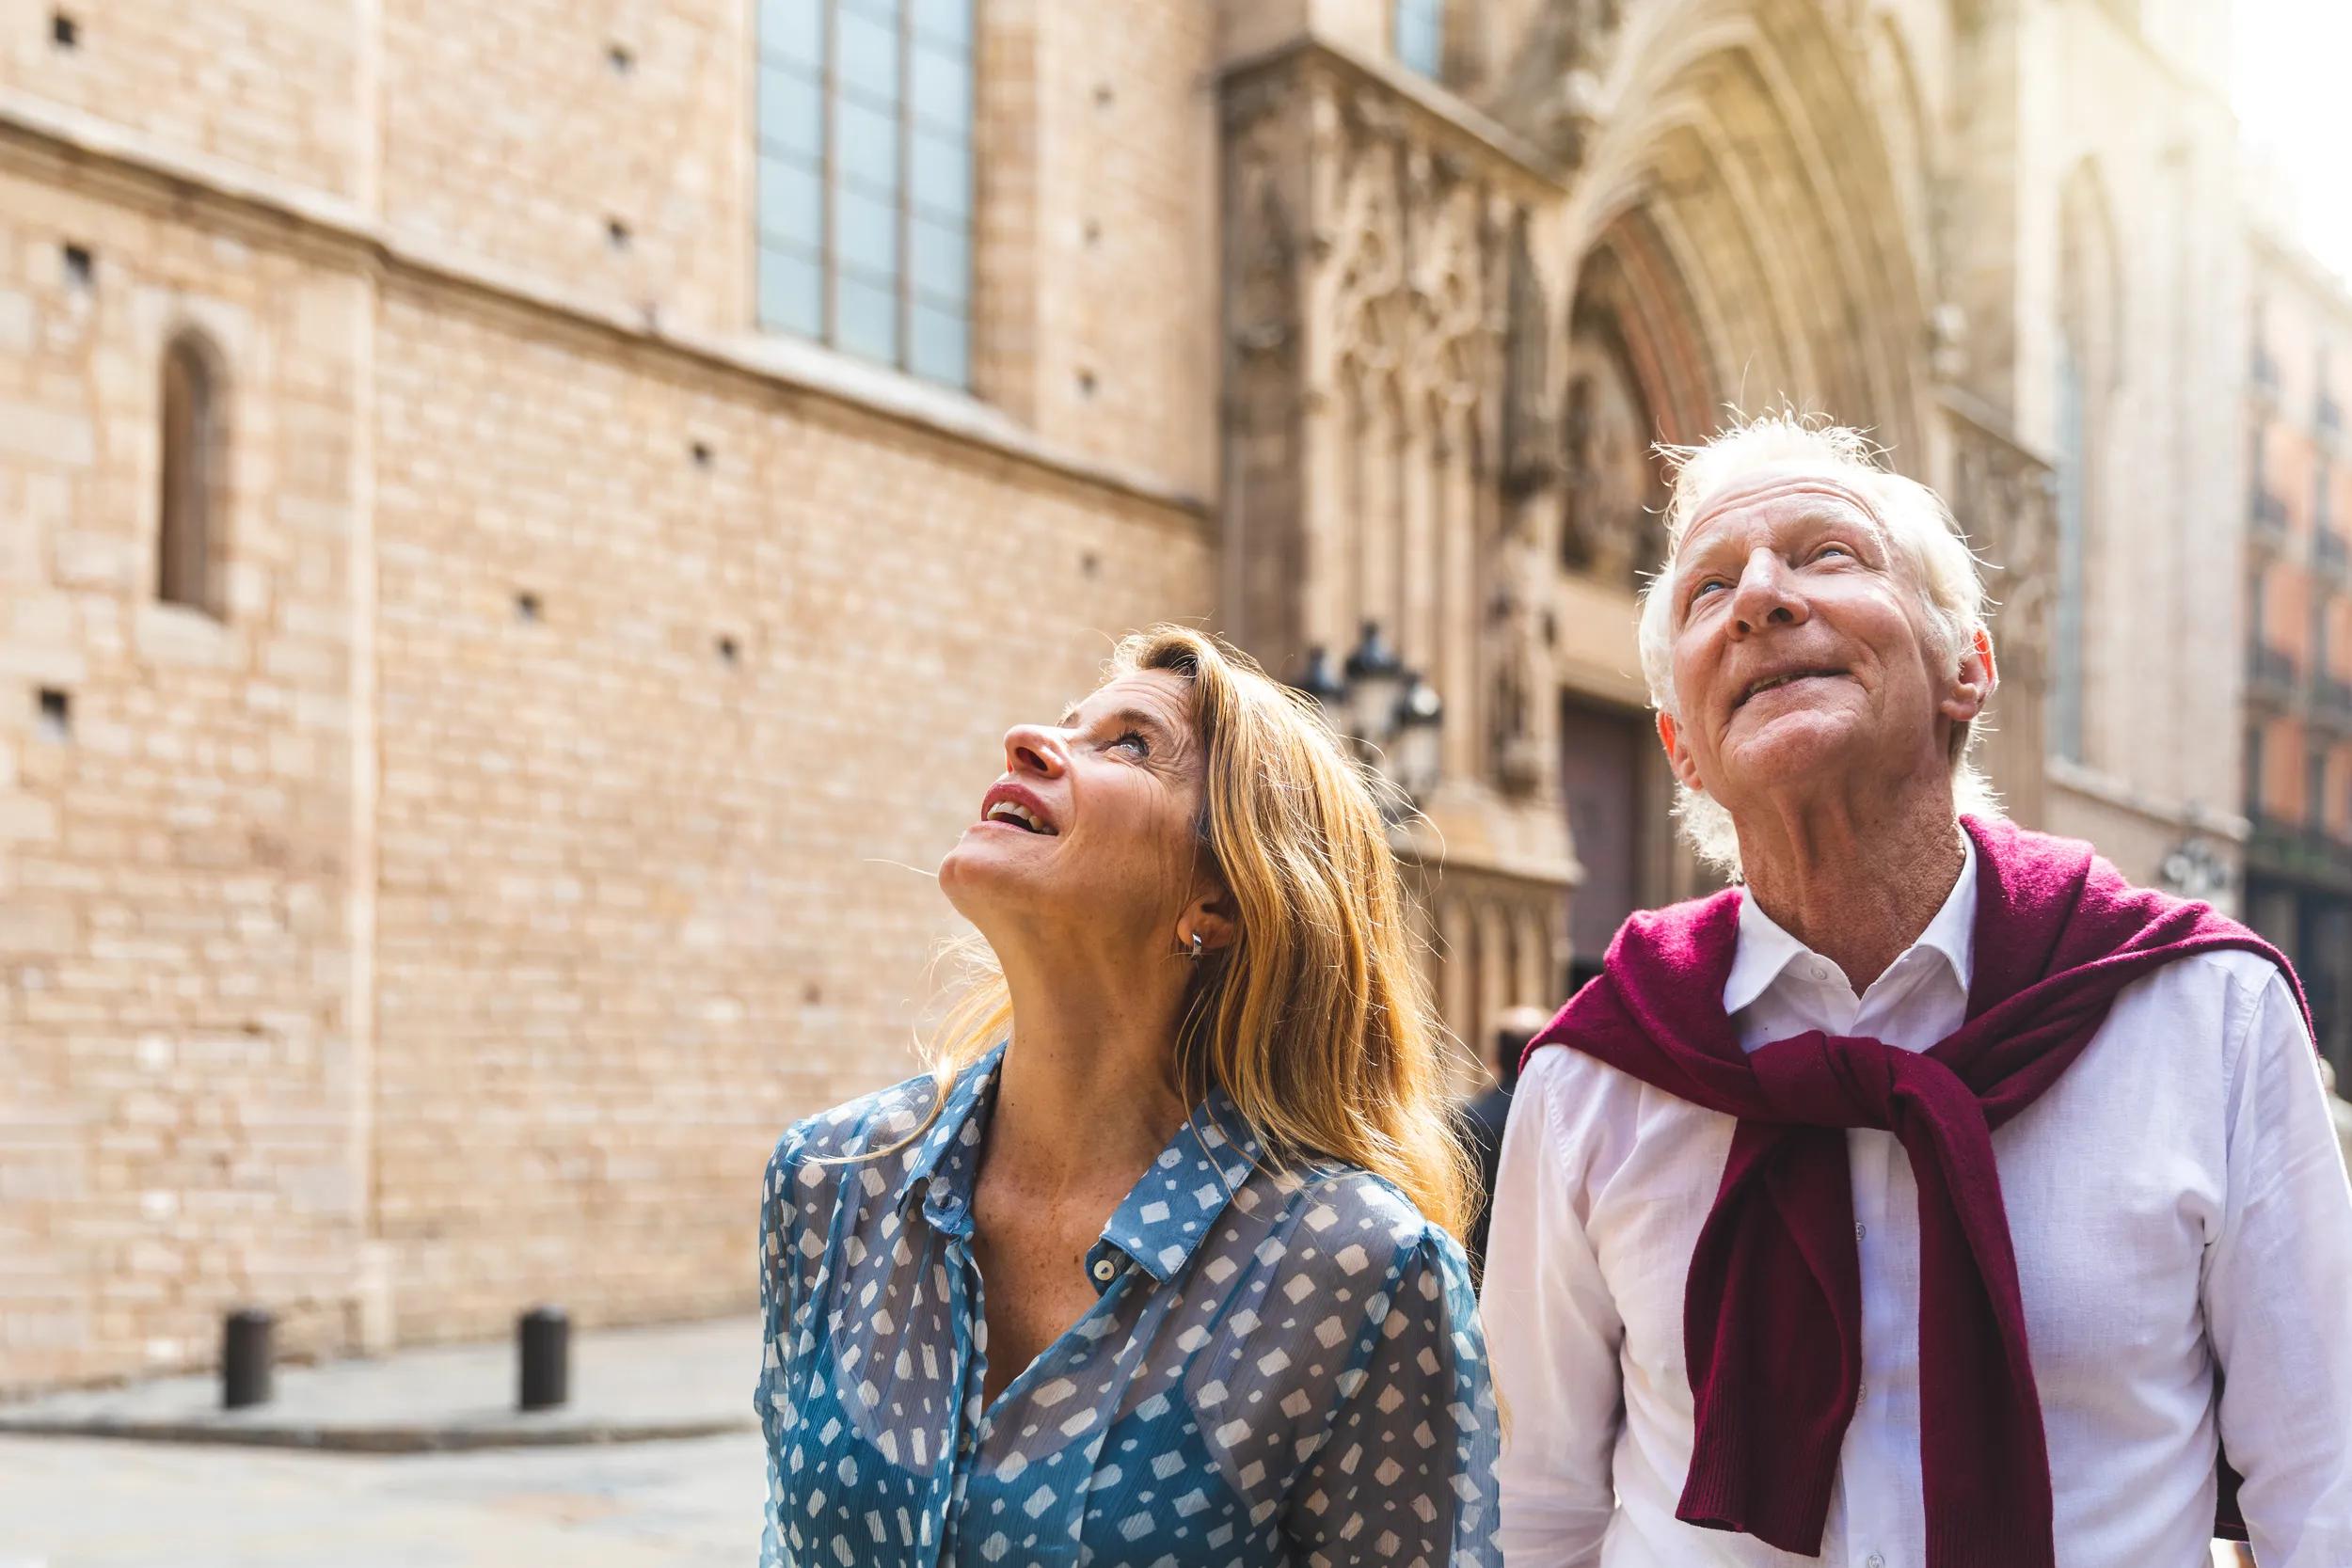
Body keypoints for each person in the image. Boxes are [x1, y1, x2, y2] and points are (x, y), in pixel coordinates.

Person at [1482, 415, 2352, 1567]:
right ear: (1680, 746)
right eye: (1706, 591)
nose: (1758, 598)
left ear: (1968, 666)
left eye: (1826, 554)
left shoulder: (2205, 1015)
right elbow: (1534, 1511)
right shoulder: (1598, 1071)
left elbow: (2325, 1482)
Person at [756, 626, 1500, 1567]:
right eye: (1071, 724)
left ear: (1218, 903)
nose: (1030, 739)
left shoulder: (1359, 1271)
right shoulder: (832, 1178)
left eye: (1132, 743)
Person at [1459, 1005, 1551, 1283]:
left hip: (1483, 1271)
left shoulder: (1467, 1120)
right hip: (1543, 1273)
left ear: (1494, 1058)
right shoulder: (1565, 1120)